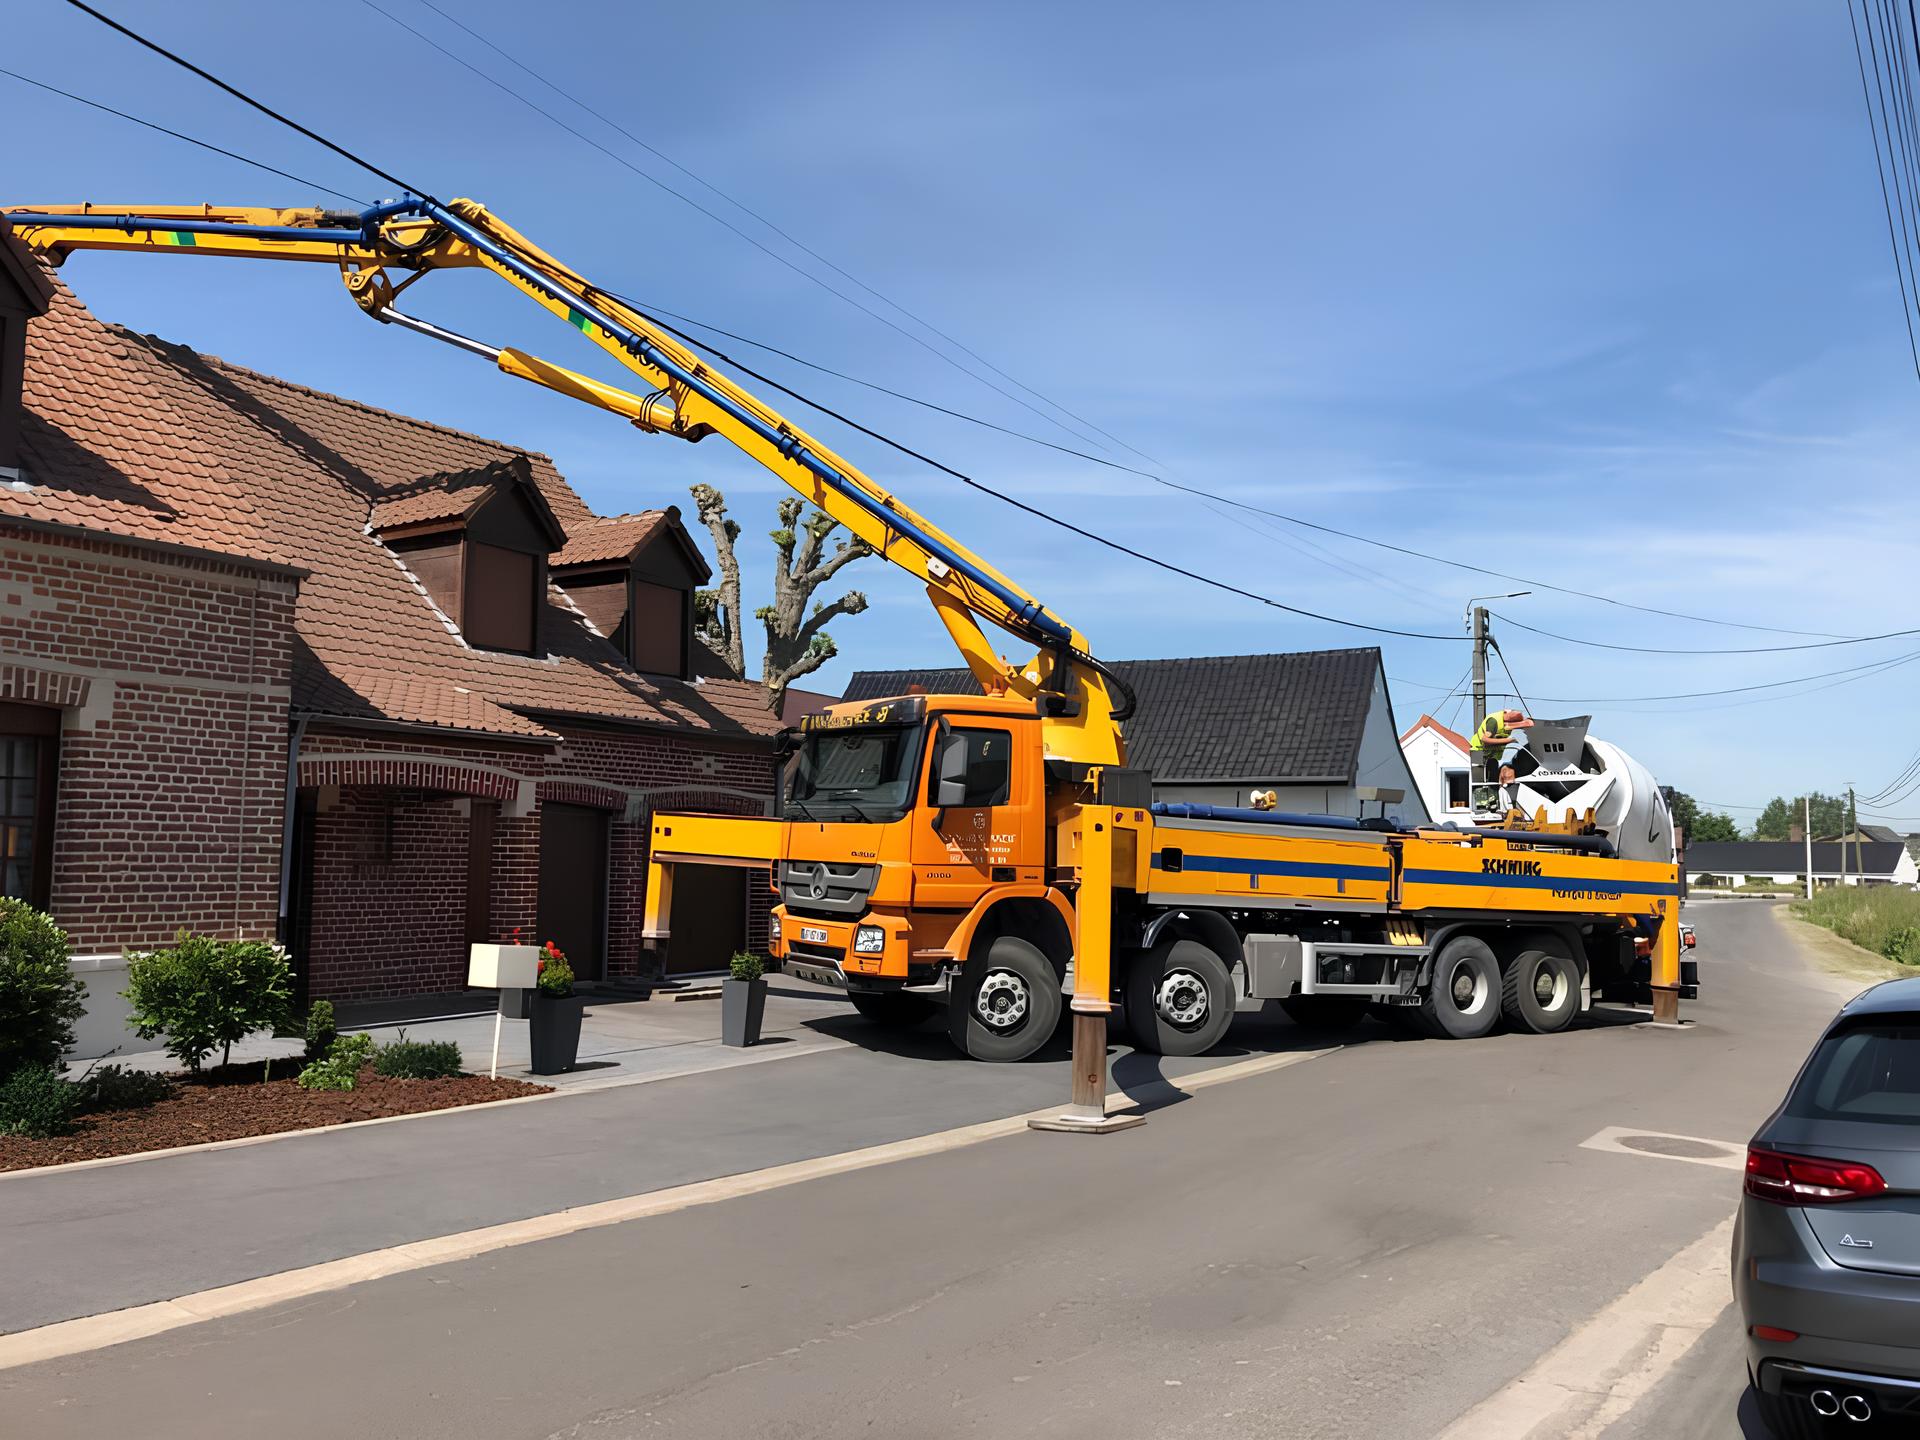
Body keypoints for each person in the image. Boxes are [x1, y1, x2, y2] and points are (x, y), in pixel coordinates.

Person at [1470, 709, 1532, 811]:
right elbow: (1485, 739)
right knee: (1480, 780)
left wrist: (1527, 722)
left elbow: (1525, 723)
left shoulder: (1507, 722)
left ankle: (1493, 804)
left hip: (1492, 756)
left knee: (1493, 778)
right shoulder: (1493, 722)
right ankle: (1482, 807)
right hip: (1478, 752)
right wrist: (1509, 740)